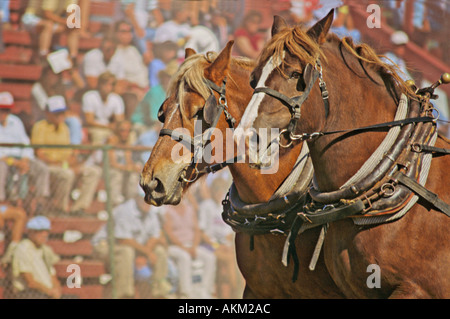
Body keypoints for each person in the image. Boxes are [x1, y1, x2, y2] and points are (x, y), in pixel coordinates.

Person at [91, 189, 172, 299]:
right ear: (137, 198)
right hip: (105, 245)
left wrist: (145, 254)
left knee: (159, 252)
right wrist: (146, 253)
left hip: (135, 248)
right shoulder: (125, 210)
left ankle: (158, 293)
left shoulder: (151, 211)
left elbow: (154, 236)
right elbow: (123, 240)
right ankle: (125, 294)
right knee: (126, 252)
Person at [31, 95, 102, 214]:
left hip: (64, 165)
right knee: (67, 174)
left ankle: (79, 208)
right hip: (49, 167)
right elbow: (40, 155)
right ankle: (61, 209)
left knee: (94, 171)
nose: (60, 116)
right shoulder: (40, 127)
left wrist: (72, 164)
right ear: (48, 113)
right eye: (56, 113)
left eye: (62, 113)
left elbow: (71, 155)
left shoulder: (64, 128)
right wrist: (63, 165)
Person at [0, 92, 50, 210]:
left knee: (42, 168)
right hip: (4, 160)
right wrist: (15, 162)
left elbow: (26, 144)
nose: (4, 113)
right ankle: (1, 202)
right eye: (1, 109)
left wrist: (24, 160)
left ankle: (40, 204)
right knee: (1, 167)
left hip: (20, 159)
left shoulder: (16, 122)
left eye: (7, 110)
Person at [163, 198, 216, 298]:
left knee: (210, 257)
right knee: (184, 257)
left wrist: (194, 246)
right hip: (175, 246)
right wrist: (183, 248)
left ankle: (205, 290)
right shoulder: (168, 211)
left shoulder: (189, 209)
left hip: (191, 245)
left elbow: (197, 230)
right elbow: (169, 233)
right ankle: (186, 292)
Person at [198, 177, 238, 299]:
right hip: (209, 246)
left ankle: (235, 290)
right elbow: (202, 233)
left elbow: (227, 233)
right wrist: (216, 245)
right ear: (212, 190)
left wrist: (226, 244)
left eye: (221, 190)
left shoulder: (223, 205)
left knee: (234, 255)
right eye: (217, 189)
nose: (219, 192)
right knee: (231, 259)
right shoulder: (206, 206)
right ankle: (237, 291)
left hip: (223, 245)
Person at [10, 216, 62, 299]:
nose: (44, 234)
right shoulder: (23, 249)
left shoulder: (45, 250)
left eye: (46, 231)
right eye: (40, 231)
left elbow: (53, 277)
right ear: (30, 232)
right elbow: (30, 282)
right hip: (29, 294)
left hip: (46, 293)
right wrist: (50, 292)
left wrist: (56, 290)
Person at [113, 20, 149, 118]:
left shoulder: (134, 50)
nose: (128, 35)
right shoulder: (114, 52)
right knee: (133, 97)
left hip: (144, 89)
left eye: (130, 31)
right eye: (124, 31)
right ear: (116, 33)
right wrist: (135, 87)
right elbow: (117, 79)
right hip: (129, 90)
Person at [82, 71, 125, 144]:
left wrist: (117, 127)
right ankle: (96, 155)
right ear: (99, 84)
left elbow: (120, 120)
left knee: (127, 135)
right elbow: (89, 121)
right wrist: (108, 126)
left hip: (108, 128)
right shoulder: (89, 96)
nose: (108, 87)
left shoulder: (117, 99)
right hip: (95, 128)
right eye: (105, 84)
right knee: (99, 134)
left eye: (111, 84)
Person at [107, 120, 141, 206]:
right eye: (122, 130)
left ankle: (131, 202)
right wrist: (127, 168)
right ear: (117, 131)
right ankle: (115, 204)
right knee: (117, 174)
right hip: (105, 168)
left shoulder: (127, 142)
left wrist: (134, 167)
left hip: (120, 168)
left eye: (128, 131)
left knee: (134, 175)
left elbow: (128, 161)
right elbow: (112, 163)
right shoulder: (111, 140)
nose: (125, 133)